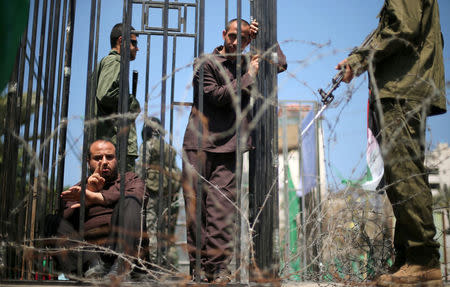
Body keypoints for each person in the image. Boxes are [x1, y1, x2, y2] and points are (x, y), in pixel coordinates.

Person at [336, 0, 446, 286]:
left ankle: (423, 260)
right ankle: (409, 259)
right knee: (399, 177)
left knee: (405, 173)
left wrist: (358, 61)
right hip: (404, 86)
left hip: (402, 88)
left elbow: (402, 28)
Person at [182, 18, 287, 283]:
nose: (235, 42)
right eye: (231, 36)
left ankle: (217, 267)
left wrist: (264, 36)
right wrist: (249, 77)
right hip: (198, 146)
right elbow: (216, 96)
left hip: (228, 149)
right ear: (223, 34)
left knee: (221, 211)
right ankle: (197, 267)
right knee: (197, 213)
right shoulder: (204, 62)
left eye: (242, 39)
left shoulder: (246, 60)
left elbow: (280, 63)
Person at [45, 139, 146, 279]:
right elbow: (64, 219)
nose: (104, 162)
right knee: (51, 220)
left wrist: (95, 197)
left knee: (130, 201)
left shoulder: (130, 180)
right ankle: (93, 267)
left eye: (109, 157)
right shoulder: (79, 188)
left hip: (118, 247)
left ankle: (122, 265)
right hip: (88, 254)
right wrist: (87, 194)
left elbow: (138, 196)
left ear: (116, 159)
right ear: (88, 161)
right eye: (98, 158)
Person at [136, 117, 181, 267]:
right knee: (163, 230)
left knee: (151, 229)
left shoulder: (147, 146)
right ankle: (166, 265)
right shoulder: (169, 148)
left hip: (150, 192)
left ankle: (154, 264)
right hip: (167, 193)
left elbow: (141, 169)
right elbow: (176, 171)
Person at [95, 23, 141, 172]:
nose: (137, 48)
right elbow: (105, 94)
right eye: (134, 43)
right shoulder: (115, 62)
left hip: (112, 143)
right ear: (121, 41)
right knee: (123, 191)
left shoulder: (112, 63)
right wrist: (132, 102)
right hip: (116, 145)